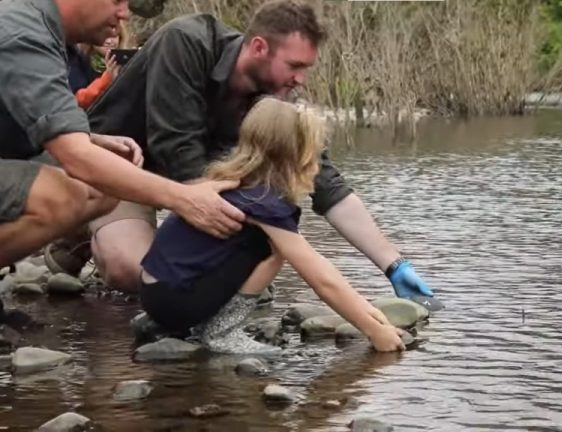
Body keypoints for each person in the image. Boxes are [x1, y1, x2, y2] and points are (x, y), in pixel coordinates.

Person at [70, 0, 442, 311]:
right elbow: (178, 149)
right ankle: (78, 233)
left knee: (240, 243)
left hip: (197, 181)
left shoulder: (276, 94)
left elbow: (322, 180)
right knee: (128, 269)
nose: (301, 80)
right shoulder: (186, 42)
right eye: (295, 66)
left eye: (306, 69)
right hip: (122, 167)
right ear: (259, 47)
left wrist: (393, 265)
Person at [140, 97, 405, 354]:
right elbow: (322, 279)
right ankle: (221, 332)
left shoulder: (232, 180)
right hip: (174, 301)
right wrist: (373, 331)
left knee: (278, 243)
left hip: (155, 290)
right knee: (276, 250)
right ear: (296, 154)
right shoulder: (264, 202)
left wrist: (367, 309)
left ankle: (195, 323)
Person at [0, 0, 245, 270]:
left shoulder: (50, 35)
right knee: (60, 196)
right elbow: (75, 157)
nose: (125, 14)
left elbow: (21, 119)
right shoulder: (23, 33)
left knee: (103, 184)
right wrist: (185, 198)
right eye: (116, 0)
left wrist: (90, 139)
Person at [73, 22, 133, 109]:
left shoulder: (127, 63)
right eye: (103, 36)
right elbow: (78, 101)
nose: (109, 41)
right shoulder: (81, 61)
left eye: (114, 36)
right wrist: (106, 80)